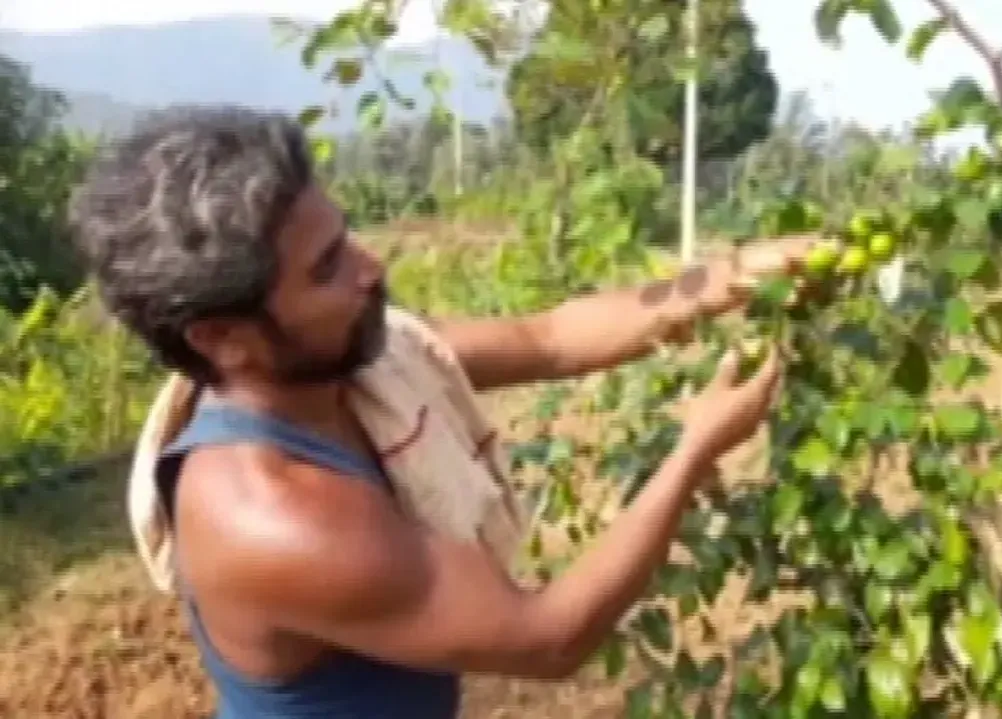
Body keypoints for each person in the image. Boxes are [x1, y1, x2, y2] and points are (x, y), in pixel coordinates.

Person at [68, 105, 803, 719]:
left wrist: (733, 279)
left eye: (345, 235)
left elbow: (547, 339)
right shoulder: (270, 515)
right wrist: (695, 449)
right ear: (222, 338)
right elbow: (546, 637)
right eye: (326, 268)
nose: (371, 266)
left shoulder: (356, 366)